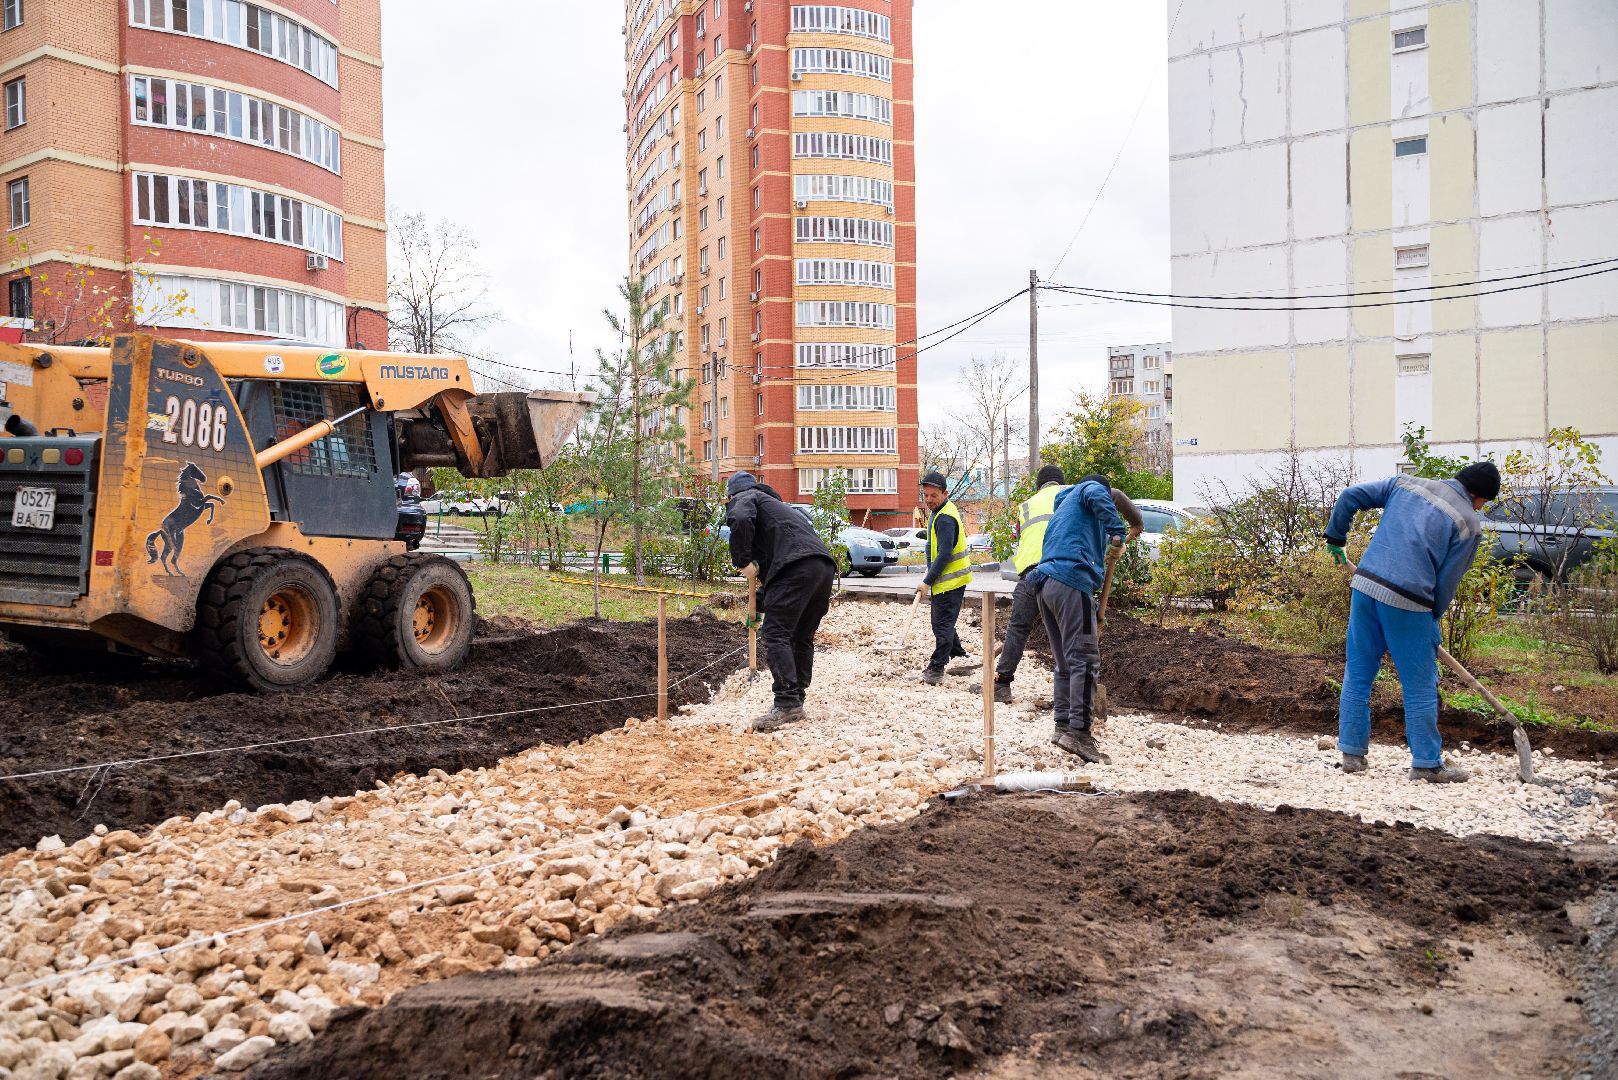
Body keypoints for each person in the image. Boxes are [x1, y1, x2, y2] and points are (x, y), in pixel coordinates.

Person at [1325, 461, 1500, 783]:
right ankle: (1427, 764)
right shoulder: (1468, 524)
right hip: (1410, 602)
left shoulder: (1405, 484)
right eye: (1484, 502)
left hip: (1365, 587)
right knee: (1419, 684)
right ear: (1478, 495)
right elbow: (1447, 582)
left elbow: (1350, 495)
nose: (1480, 507)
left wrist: (1336, 537)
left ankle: (1352, 754)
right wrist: (1431, 620)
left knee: (1359, 671)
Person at [993, 467, 1143, 704]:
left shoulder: (1026, 505)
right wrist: (1135, 524)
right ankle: (1076, 698)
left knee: (1018, 628)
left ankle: (1002, 683)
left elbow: (1020, 538)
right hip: (1066, 571)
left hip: (1034, 575)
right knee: (1076, 638)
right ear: (1062, 482)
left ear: (1038, 486)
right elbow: (1117, 496)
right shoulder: (1076, 491)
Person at [725, 471, 837, 731]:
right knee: (800, 635)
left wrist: (742, 562)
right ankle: (796, 698)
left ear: (731, 495)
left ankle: (786, 703)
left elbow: (740, 518)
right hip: (821, 567)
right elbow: (782, 574)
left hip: (795, 569)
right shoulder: (777, 508)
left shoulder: (745, 498)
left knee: (776, 634)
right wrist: (761, 604)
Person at [1032, 473, 1128, 763]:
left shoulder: (1065, 508)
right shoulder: (1090, 489)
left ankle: (1063, 726)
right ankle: (1080, 734)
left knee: (1065, 661)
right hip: (1071, 581)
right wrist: (1118, 532)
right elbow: (1097, 494)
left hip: (1046, 583)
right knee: (1085, 660)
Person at [916, 471, 972, 684]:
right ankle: (959, 655)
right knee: (945, 622)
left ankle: (937, 667)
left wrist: (927, 580)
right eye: (926, 495)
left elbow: (945, 553)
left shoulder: (945, 518)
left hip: (951, 582)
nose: (928, 500)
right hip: (945, 580)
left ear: (945, 493)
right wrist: (930, 572)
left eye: (933, 495)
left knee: (941, 625)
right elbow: (934, 547)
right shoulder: (939, 512)